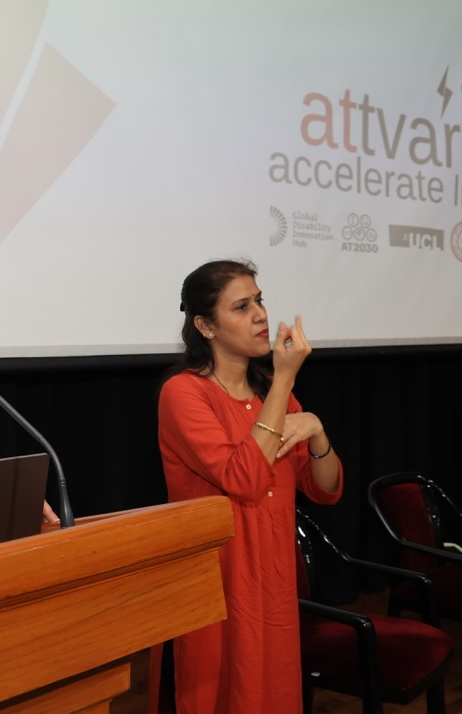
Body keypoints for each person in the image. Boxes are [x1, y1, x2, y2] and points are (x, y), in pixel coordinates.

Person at [157, 258, 342, 713]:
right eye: (241, 307)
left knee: (274, 694)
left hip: (273, 576)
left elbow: (326, 489)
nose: (260, 315)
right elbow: (243, 478)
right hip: (218, 580)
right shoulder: (185, 393)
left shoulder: (270, 395)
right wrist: (284, 379)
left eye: (259, 301)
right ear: (205, 325)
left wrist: (317, 429)